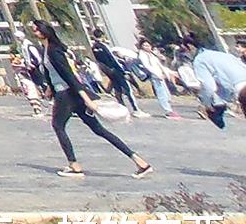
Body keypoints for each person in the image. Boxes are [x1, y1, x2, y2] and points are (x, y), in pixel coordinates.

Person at [25, 20, 152, 178]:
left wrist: (87, 99)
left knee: (58, 126)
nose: (34, 33)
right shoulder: (47, 49)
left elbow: (70, 77)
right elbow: (53, 73)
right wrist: (50, 88)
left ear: (45, 31)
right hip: (69, 93)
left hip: (67, 94)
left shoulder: (53, 51)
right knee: (98, 129)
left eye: (36, 30)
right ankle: (140, 161)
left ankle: (74, 165)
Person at [185, 39, 246, 124]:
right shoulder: (222, 55)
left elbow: (209, 87)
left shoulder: (199, 60)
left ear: (190, 47)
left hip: (241, 87)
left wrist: (208, 104)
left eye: (183, 50)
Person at [90, 33, 140, 118]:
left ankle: (122, 108)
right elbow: (113, 60)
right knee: (127, 89)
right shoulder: (104, 46)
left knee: (117, 90)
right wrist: (123, 72)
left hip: (109, 72)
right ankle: (136, 109)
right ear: (102, 36)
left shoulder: (94, 47)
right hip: (116, 70)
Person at [134, 39, 181, 119]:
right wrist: (157, 74)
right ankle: (168, 111)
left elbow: (160, 65)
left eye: (148, 45)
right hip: (155, 76)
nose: (147, 47)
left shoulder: (151, 54)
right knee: (161, 93)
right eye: (144, 45)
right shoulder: (143, 55)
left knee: (166, 93)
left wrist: (170, 72)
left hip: (160, 75)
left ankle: (169, 110)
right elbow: (147, 66)